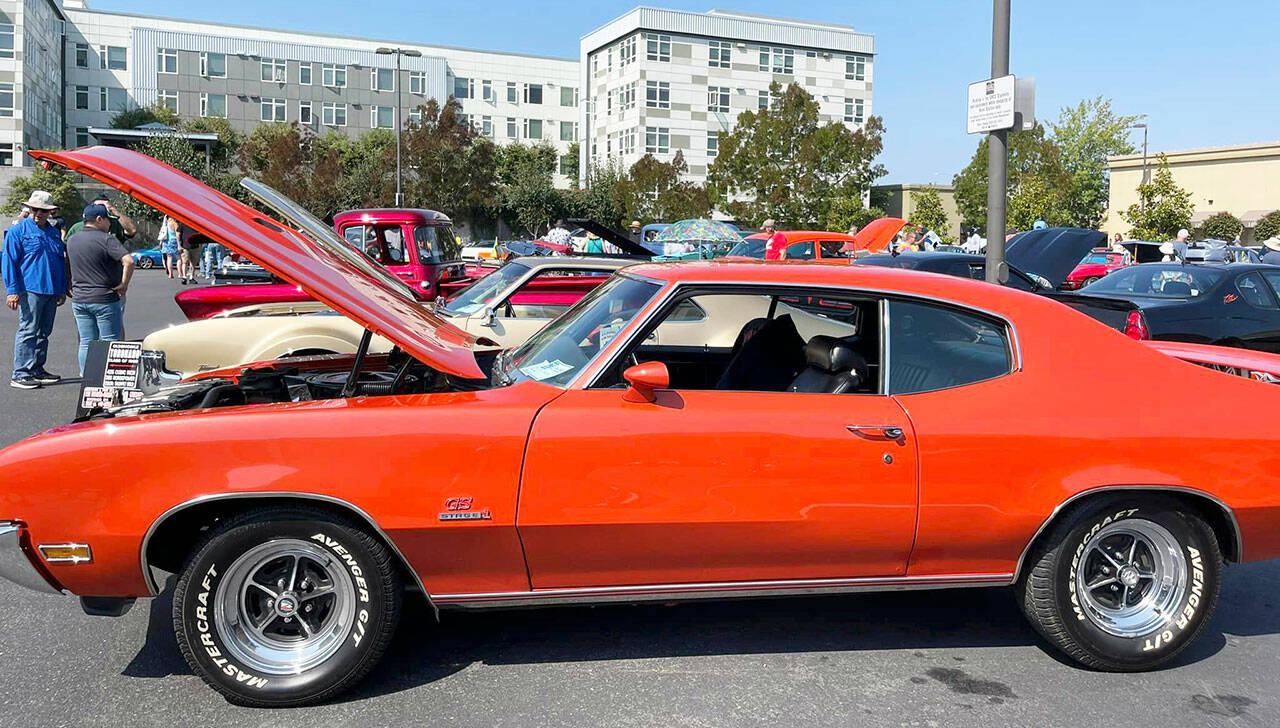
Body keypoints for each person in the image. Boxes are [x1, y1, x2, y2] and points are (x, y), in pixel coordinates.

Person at [2, 191, 67, 389]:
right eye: (35, 209)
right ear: (30, 209)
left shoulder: (53, 232)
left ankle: (36, 368)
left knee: (44, 332)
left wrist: (62, 288)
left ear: (50, 212)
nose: (38, 213)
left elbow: (59, 261)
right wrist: (12, 291)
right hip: (30, 289)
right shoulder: (18, 231)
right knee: (28, 330)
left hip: (51, 289)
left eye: (43, 210)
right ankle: (21, 373)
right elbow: (9, 262)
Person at [66, 204, 134, 374]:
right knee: (111, 341)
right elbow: (129, 261)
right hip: (104, 298)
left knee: (86, 342)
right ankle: (109, 378)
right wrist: (124, 284)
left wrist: (68, 284)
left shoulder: (72, 239)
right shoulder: (107, 239)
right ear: (99, 219)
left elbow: (67, 262)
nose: (110, 224)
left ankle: (87, 376)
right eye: (107, 220)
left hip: (79, 299)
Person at [64, 194, 137, 246]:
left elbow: (132, 230)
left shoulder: (114, 223)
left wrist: (112, 209)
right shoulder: (78, 227)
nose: (101, 209)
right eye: (98, 206)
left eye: (103, 206)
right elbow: (67, 246)